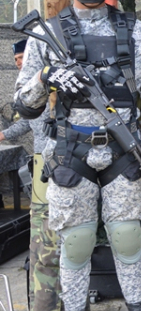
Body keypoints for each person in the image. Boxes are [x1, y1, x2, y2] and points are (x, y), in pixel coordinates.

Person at [14, 0, 141, 311]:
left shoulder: (135, 32)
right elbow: (23, 105)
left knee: (128, 238)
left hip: (124, 151)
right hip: (71, 154)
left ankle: (137, 304)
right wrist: (47, 77)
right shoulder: (47, 35)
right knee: (77, 244)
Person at [0, 39, 60, 311]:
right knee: (39, 238)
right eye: (16, 60)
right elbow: (26, 121)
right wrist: (3, 134)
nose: (20, 63)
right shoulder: (29, 91)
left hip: (61, 165)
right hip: (39, 166)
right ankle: (41, 299)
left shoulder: (54, 85)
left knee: (53, 239)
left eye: (23, 57)